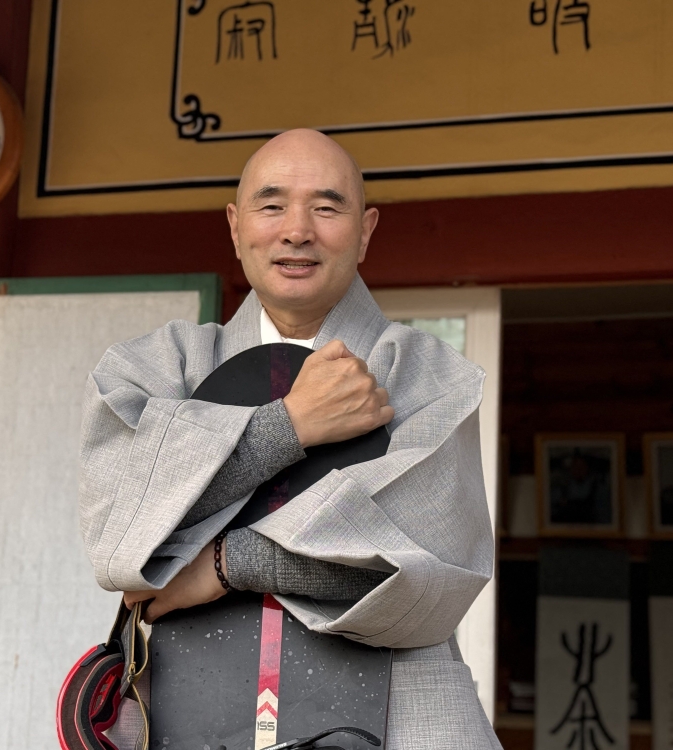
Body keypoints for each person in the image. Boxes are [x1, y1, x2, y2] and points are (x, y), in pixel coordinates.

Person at [79, 129, 500, 749]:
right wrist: (292, 425)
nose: (297, 229)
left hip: (402, 720)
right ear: (235, 224)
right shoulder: (154, 370)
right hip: (182, 709)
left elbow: (425, 572)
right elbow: (121, 533)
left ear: (366, 230)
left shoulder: (430, 378)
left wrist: (225, 564)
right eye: (271, 205)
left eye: (327, 207)